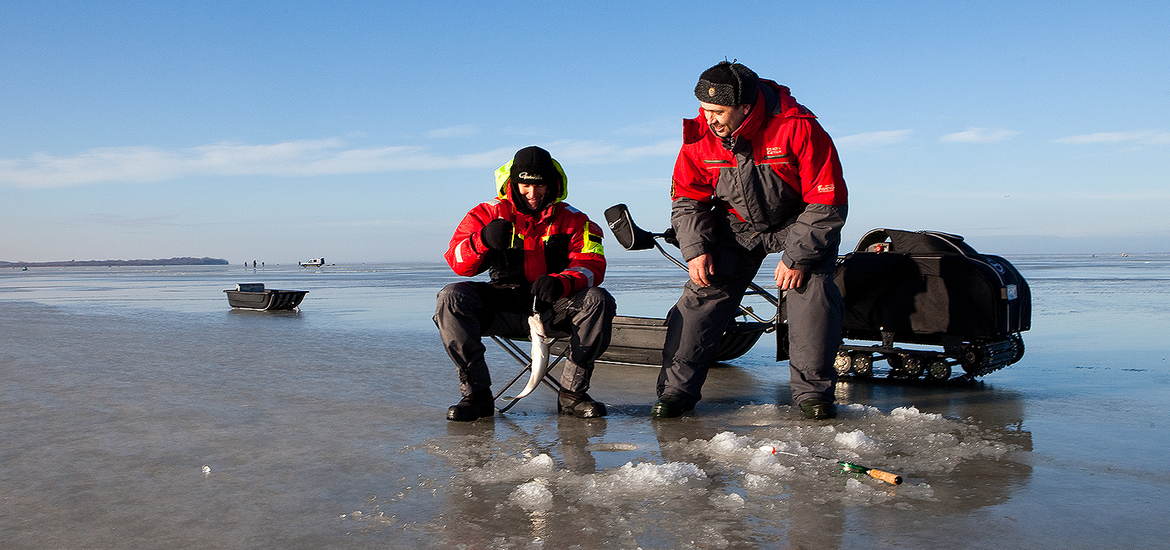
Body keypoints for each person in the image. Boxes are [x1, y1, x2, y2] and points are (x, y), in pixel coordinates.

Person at [654, 61, 848, 420]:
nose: (709, 118)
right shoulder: (700, 137)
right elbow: (686, 200)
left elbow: (826, 200)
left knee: (812, 294)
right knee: (701, 294)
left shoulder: (798, 128)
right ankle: (675, 393)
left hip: (798, 221)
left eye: (718, 111)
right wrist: (696, 250)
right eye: (705, 109)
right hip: (736, 225)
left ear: (744, 107)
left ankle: (813, 395)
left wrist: (797, 257)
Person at [435, 146, 616, 421]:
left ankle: (572, 395)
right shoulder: (486, 213)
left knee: (598, 299)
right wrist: (482, 240)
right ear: (513, 183)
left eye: (539, 185)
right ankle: (477, 395)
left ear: (552, 184)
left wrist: (562, 282)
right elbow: (458, 263)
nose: (533, 194)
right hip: (503, 305)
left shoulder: (575, 220)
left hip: (555, 307)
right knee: (450, 297)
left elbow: (593, 265)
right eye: (525, 185)